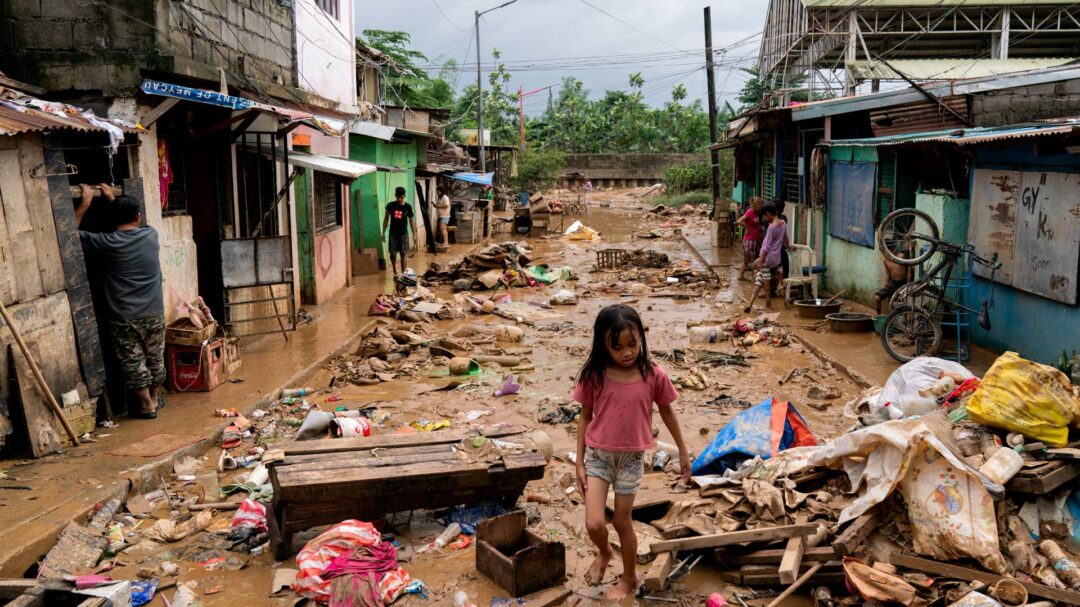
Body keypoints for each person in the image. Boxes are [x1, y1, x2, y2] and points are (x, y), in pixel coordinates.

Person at [573, 304, 691, 600]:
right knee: (594, 522)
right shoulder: (595, 375)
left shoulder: (653, 374)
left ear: (641, 339)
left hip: (631, 459)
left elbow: (667, 412)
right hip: (599, 456)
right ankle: (604, 551)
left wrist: (683, 451)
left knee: (622, 522)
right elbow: (585, 417)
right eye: (618, 347)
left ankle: (628, 578)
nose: (626, 352)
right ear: (604, 345)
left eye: (632, 344)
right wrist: (579, 463)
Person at [76, 183, 165, 419]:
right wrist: (111, 201)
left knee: (133, 361)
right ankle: (155, 398)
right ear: (138, 216)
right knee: (155, 358)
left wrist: (84, 204)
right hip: (154, 311)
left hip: (123, 316)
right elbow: (131, 221)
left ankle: (147, 405)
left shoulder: (107, 242)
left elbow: (70, 235)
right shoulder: (150, 235)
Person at [744, 202, 788, 313]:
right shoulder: (783, 223)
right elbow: (786, 239)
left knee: (766, 285)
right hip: (775, 258)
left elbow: (766, 247)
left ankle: (768, 304)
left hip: (767, 259)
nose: (764, 218)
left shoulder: (771, 227)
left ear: (768, 214)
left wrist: (761, 260)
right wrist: (789, 246)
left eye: (764, 215)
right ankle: (750, 303)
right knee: (759, 280)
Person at [382, 186, 414, 276]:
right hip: (393, 233)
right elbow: (386, 218)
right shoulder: (390, 205)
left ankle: (403, 274)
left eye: (402, 197)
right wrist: (383, 233)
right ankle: (395, 270)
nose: (400, 199)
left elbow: (411, 220)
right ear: (395, 196)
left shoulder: (408, 207)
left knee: (404, 254)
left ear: (404, 196)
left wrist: (414, 234)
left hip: (403, 234)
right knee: (393, 254)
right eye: (398, 197)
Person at [736, 197, 764, 280]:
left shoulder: (757, 213)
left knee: (753, 259)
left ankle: (750, 277)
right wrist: (747, 228)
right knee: (749, 260)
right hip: (749, 240)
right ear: (756, 205)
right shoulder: (749, 212)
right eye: (760, 205)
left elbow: (757, 224)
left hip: (755, 239)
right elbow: (739, 221)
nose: (761, 206)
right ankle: (745, 276)